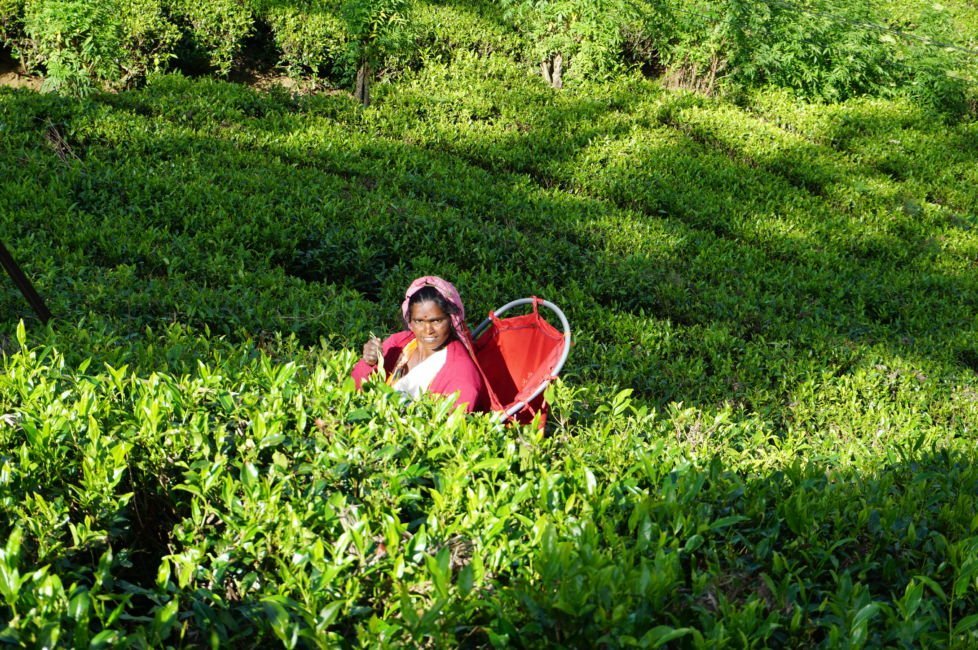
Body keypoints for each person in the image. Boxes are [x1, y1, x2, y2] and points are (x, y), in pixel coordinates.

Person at [351, 276, 487, 413]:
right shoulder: (399, 343)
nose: (428, 331)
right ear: (410, 320)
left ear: (451, 319)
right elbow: (354, 390)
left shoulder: (462, 373)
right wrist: (369, 363)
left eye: (436, 321)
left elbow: (451, 425)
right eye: (419, 321)